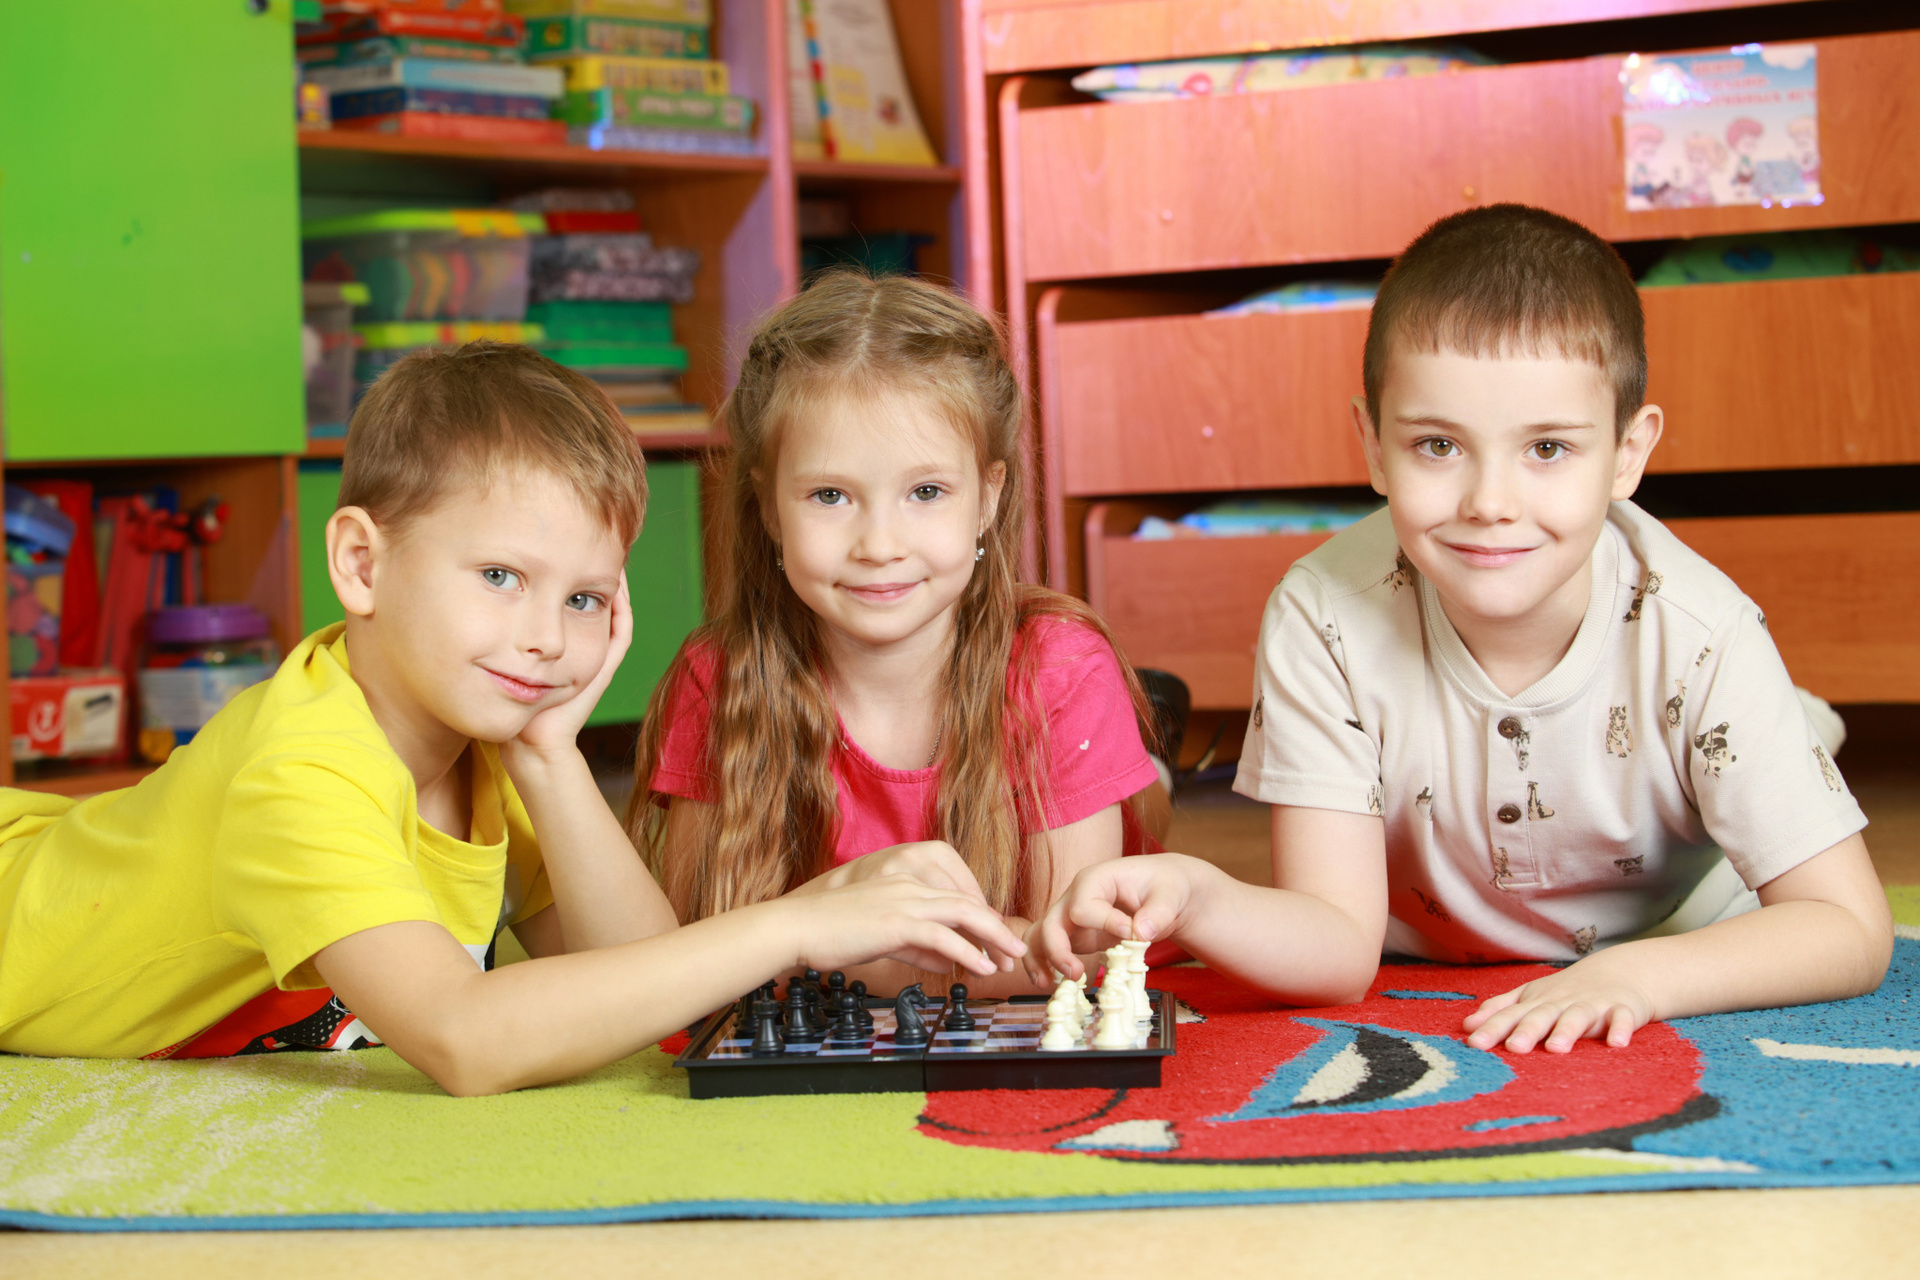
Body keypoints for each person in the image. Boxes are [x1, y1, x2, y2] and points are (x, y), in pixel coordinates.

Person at [0, 342, 1023, 1093]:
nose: (543, 637)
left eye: (584, 598)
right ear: (360, 562)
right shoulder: (301, 768)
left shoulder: (487, 737)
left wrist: (549, 755)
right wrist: (799, 920)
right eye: (499, 576)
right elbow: (464, 1037)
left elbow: (644, 983)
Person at [1031, 204, 1893, 1052]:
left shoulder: (1702, 631)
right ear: (1374, 445)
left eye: (1547, 449)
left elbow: (1848, 926)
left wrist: (1639, 977)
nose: (1490, 503)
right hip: (1427, 931)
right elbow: (1337, 947)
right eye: (1438, 446)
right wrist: (1201, 894)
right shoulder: (1322, 613)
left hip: (1675, 915)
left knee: (1755, 740)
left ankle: (1793, 724)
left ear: (1628, 454)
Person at [630, 272, 1172, 997]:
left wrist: (817, 947)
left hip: (1057, 707)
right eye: (830, 495)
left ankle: (1149, 781)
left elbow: (1070, 958)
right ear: (767, 508)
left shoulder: (1061, 667)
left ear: (988, 496)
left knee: (1136, 818)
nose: (879, 546)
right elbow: (690, 942)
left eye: (925, 492)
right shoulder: (717, 675)